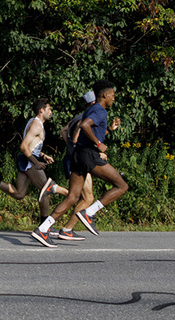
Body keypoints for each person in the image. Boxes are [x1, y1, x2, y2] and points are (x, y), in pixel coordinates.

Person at [31, 79, 129, 247]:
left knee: (73, 196)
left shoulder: (91, 109)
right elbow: (85, 126)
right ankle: (89, 213)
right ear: (105, 95)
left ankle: (43, 228)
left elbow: (89, 128)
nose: (114, 98)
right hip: (88, 155)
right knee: (121, 186)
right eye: (112, 95)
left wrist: (108, 131)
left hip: (77, 155)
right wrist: (99, 145)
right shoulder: (100, 110)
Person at [0, 98, 68, 228]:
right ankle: (45, 225)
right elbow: (23, 146)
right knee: (46, 189)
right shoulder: (36, 125)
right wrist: (37, 162)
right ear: (42, 110)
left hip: (26, 159)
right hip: (29, 160)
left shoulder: (34, 122)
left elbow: (31, 146)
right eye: (49, 109)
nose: (51, 112)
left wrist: (43, 155)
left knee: (19, 194)